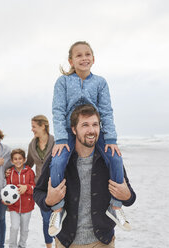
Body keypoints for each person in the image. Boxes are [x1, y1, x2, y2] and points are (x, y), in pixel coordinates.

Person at [49, 41, 130, 236]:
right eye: (79, 55)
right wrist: (61, 139)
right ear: (71, 60)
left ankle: (115, 207)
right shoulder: (63, 82)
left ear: (93, 59)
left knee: (115, 158)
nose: (84, 58)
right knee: (58, 161)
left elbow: (106, 111)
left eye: (87, 54)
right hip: (70, 131)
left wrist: (110, 138)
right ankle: (58, 210)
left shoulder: (100, 82)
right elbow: (58, 111)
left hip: (95, 130)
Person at [34, 104, 136, 248]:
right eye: (85, 125)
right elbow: (37, 192)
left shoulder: (109, 158)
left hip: (103, 242)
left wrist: (127, 195)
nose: (91, 130)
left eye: (95, 124)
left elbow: (130, 197)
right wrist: (49, 201)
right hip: (66, 243)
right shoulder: (58, 158)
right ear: (74, 129)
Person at [26, 115, 55, 248]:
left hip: (57, 185)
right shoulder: (32, 145)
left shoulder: (56, 141)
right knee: (46, 219)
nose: (32, 129)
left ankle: (59, 244)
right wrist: (12, 170)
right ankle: (49, 246)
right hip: (41, 188)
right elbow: (28, 164)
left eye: (34, 126)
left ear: (43, 126)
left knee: (58, 218)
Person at [6, 149, 35, 248]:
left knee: (24, 229)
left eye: (20, 159)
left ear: (24, 159)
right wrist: (6, 200)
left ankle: (22, 245)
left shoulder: (30, 172)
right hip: (14, 206)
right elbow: (7, 188)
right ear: (12, 161)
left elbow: (34, 188)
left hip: (27, 206)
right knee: (14, 227)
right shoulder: (10, 173)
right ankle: (12, 246)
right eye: (15, 159)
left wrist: (26, 187)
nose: (18, 161)